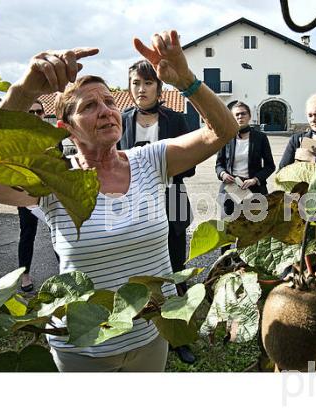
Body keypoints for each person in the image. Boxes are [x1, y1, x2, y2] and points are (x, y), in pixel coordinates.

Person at [0, 30, 238, 372]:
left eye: (109, 102)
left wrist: (186, 80)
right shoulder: (57, 180)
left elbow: (221, 130)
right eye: (90, 106)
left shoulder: (149, 160)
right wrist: (26, 89)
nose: (106, 111)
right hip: (83, 348)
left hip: (150, 336)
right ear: (66, 128)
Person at [119, 59, 196, 364]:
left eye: (147, 83)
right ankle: (138, 329)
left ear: (159, 87)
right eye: (136, 83)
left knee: (176, 269)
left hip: (173, 197)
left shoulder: (176, 119)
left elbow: (189, 166)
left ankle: (179, 338)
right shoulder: (121, 119)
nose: (141, 89)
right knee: (136, 270)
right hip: (131, 204)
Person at [215, 101, 275, 224]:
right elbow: (219, 164)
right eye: (236, 115)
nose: (240, 117)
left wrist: (255, 179)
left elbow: (270, 166)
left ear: (249, 116)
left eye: (243, 114)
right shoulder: (226, 137)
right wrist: (223, 174)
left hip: (254, 189)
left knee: (254, 230)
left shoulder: (260, 138)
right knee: (226, 228)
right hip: (231, 188)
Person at [17, 100, 46, 292]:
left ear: (43, 114)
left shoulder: (51, 138)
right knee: (28, 233)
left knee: (60, 233)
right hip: (26, 194)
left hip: (49, 193)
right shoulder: (18, 140)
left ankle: (67, 272)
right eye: (31, 112)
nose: (35, 115)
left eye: (39, 112)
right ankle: (24, 275)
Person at [277, 93, 316, 170]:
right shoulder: (296, 140)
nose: (313, 120)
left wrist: (314, 159)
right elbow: (282, 170)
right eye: (310, 115)